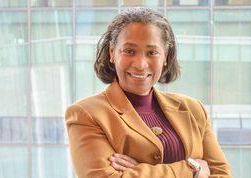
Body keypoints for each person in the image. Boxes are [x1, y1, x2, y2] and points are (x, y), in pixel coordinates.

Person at [65, 7, 231, 178]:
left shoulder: (193, 109)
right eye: (129, 51)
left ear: (165, 56)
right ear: (112, 53)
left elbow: (222, 175)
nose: (140, 64)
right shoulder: (86, 114)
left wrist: (138, 172)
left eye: (152, 52)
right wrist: (192, 169)